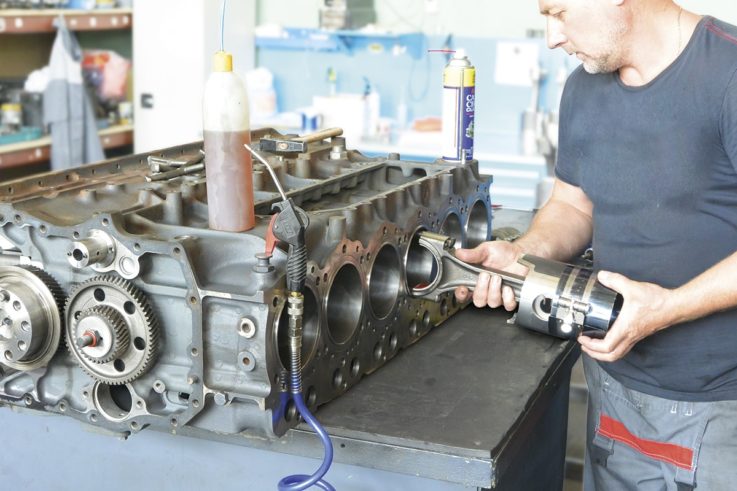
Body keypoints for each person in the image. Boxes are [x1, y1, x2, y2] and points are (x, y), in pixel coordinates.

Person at [455, 0, 737, 489]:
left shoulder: (728, 73)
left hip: (719, 408)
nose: (552, 38)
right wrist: (525, 252)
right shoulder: (583, 88)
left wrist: (668, 308)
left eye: (559, 12)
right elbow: (573, 205)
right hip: (613, 390)